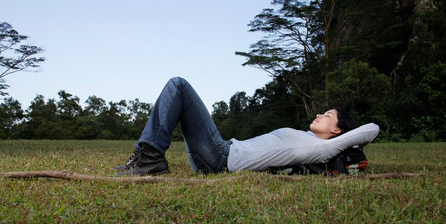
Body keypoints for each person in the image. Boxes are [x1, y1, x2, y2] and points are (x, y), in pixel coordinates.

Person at [114, 77, 380, 176]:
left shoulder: (321, 148)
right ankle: (148, 155)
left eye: (328, 115)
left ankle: (149, 157)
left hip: (220, 158)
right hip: (220, 152)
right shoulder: (305, 137)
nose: (320, 114)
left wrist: (347, 141)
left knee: (178, 86)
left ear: (337, 131)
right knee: (178, 88)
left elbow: (371, 128)